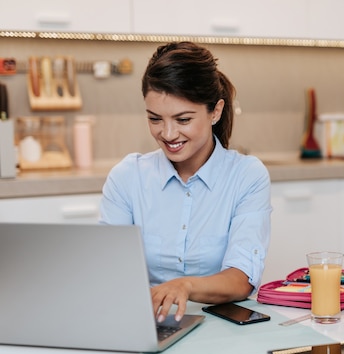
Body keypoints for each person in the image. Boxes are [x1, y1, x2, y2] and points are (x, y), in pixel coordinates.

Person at [100, 42, 272, 323]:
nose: (168, 133)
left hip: (220, 327)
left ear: (215, 111)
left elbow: (242, 279)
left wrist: (185, 285)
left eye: (183, 119)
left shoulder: (246, 175)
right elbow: (108, 268)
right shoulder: (128, 176)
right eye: (155, 119)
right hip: (146, 323)